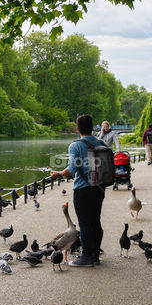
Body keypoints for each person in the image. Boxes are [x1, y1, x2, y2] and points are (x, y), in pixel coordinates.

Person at [50, 114, 104, 267]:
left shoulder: (76, 145)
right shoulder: (101, 143)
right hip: (99, 188)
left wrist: (58, 174)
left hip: (83, 189)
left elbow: (72, 169)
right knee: (95, 221)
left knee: (85, 223)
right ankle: (95, 255)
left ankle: (86, 256)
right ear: (93, 128)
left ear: (77, 128)